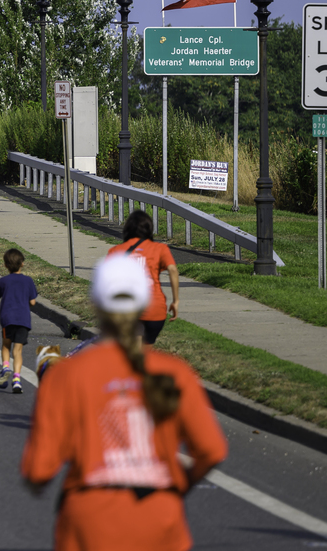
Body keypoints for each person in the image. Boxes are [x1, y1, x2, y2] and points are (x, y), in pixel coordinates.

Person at [22, 256, 227, 551]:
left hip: (90, 522)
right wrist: (176, 487)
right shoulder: (175, 373)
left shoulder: (67, 375)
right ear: (143, 306)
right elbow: (212, 450)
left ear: (96, 305)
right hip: (158, 517)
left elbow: (38, 470)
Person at [106, 210, 180, 344]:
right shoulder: (160, 249)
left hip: (128, 310)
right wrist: (175, 301)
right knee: (145, 351)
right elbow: (173, 269)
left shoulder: (116, 251)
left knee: (132, 352)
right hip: (155, 309)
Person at [0, 248, 38, 394]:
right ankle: (17, 380)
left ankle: (6, 366)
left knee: (6, 346)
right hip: (23, 319)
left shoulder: (3, 281)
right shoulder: (28, 281)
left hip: (8, 318)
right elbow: (33, 302)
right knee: (18, 351)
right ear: (22, 264)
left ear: (5, 265)